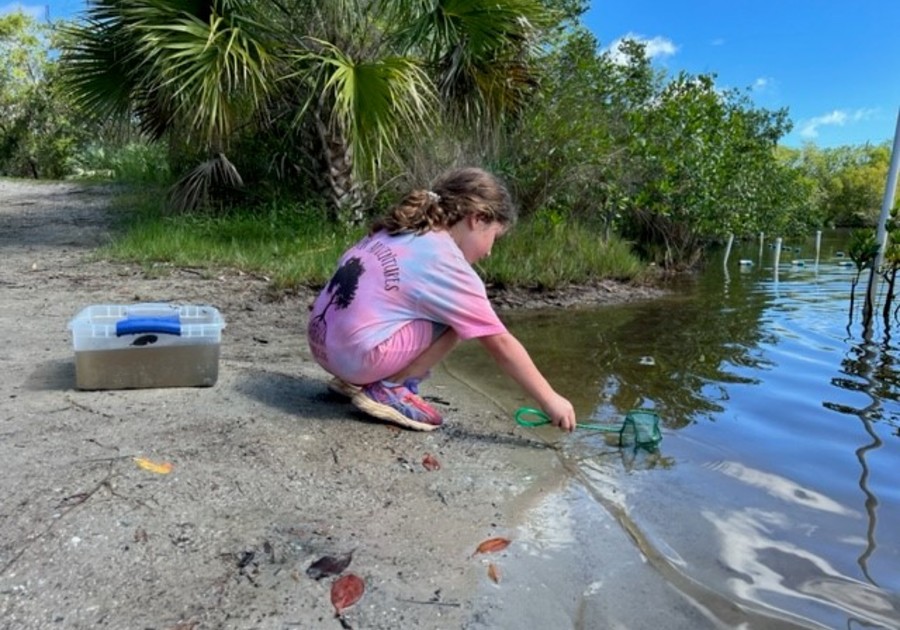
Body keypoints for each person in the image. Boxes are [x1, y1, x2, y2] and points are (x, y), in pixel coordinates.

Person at [307, 166, 576, 433]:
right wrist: (550, 399)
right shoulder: (446, 261)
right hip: (354, 358)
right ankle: (390, 389)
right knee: (455, 322)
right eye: (494, 237)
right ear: (478, 218)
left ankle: (357, 380)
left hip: (323, 346)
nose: (490, 252)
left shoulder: (397, 229)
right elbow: (500, 342)